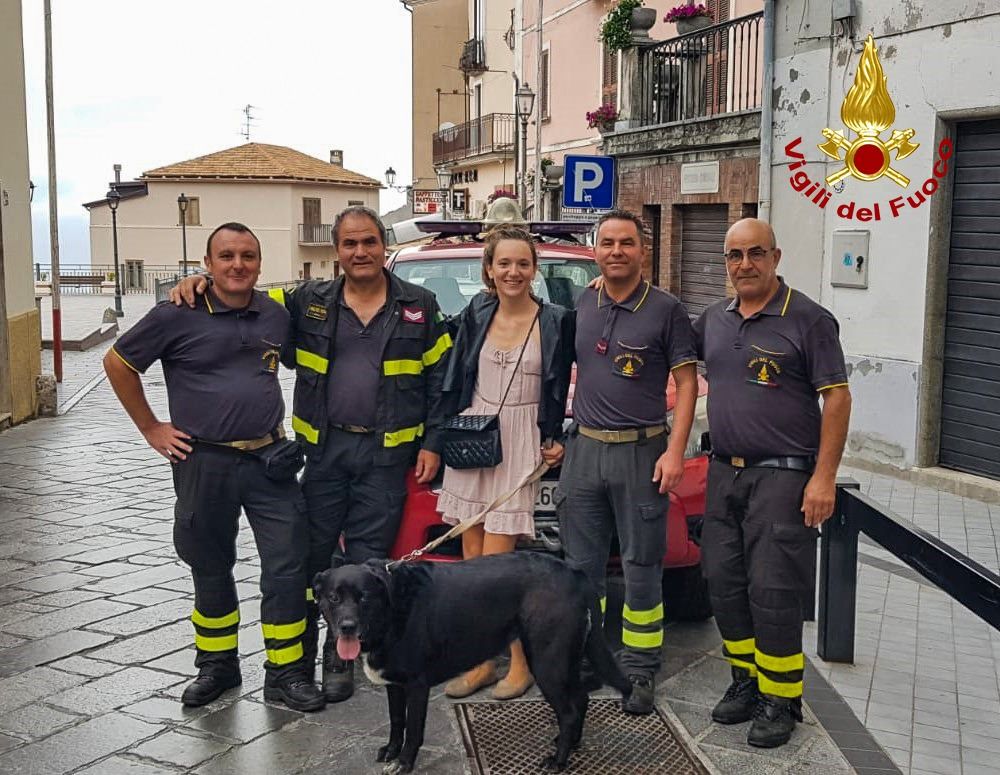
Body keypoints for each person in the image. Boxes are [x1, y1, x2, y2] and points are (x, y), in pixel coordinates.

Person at [170, 206, 452, 703]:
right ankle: (293, 667)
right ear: (336, 251)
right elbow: (242, 294)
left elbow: (442, 382)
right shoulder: (306, 301)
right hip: (323, 453)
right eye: (349, 244)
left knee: (367, 565)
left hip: (387, 457)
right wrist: (199, 280)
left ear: (383, 245)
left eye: (369, 242)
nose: (360, 252)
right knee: (309, 562)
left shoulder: (421, 305)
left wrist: (432, 442)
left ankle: (341, 659)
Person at [104, 223, 324, 711]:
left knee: (288, 566)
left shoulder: (275, 313)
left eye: (248, 255)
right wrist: (150, 428)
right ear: (208, 263)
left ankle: (287, 672)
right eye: (226, 256)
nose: (237, 265)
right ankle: (217, 666)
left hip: (270, 460)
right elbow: (118, 363)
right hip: (203, 461)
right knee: (209, 564)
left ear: (260, 264)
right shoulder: (175, 313)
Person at [693, 218, 851, 748]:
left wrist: (823, 477)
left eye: (755, 253)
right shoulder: (714, 319)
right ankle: (745, 682)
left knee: (775, 591)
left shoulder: (808, 320)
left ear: (776, 257)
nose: (744, 265)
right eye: (734, 256)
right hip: (723, 474)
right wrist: (609, 283)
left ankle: (780, 699)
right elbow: (669, 349)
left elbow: (838, 399)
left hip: (783, 478)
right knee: (725, 582)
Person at [556, 210, 699, 715]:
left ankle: (640, 667)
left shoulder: (668, 310)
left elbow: (685, 385)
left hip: (642, 453)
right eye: (607, 243)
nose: (616, 251)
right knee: (581, 568)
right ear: (596, 249)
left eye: (626, 243)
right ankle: (592, 656)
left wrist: (675, 451)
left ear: (644, 250)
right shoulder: (584, 299)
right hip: (584, 450)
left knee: (641, 565)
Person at [436, 225, 575, 701]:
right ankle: (480, 663)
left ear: (534, 269)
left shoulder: (556, 319)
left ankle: (520, 664)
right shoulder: (476, 311)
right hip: (474, 437)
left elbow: (560, 382)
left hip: (519, 441)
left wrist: (554, 435)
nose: (512, 272)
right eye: (503, 264)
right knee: (473, 564)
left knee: (498, 569)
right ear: (488, 271)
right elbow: (446, 359)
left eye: (522, 263)